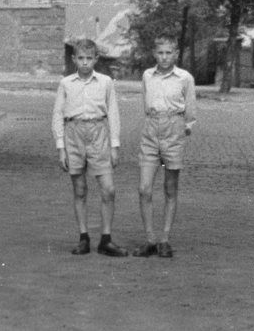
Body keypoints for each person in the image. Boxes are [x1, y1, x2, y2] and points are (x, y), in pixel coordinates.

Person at [52, 38, 127, 256]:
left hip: (98, 133)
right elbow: (57, 115)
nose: (85, 63)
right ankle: (83, 237)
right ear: (74, 60)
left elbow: (113, 113)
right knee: (80, 189)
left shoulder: (105, 82)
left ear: (96, 59)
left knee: (108, 188)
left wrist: (114, 145)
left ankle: (106, 239)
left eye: (89, 58)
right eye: (81, 58)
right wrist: (61, 148)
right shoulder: (66, 84)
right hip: (73, 134)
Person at [135, 37, 196, 258]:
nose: (164, 57)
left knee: (170, 188)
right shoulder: (147, 76)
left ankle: (164, 239)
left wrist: (179, 129)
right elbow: (145, 103)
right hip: (151, 130)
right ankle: (150, 238)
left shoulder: (184, 78)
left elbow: (191, 112)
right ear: (154, 53)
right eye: (160, 52)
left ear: (176, 54)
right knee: (144, 188)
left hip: (174, 129)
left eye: (168, 53)